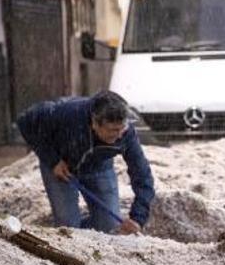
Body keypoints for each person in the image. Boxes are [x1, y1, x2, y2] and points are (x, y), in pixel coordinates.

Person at [17, 90, 155, 234]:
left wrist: (138, 218)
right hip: (61, 166)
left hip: (99, 168)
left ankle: (84, 231)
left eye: (122, 128)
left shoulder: (126, 134)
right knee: (68, 226)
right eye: (113, 130)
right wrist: (52, 160)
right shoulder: (66, 113)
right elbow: (25, 121)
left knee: (109, 226)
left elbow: (142, 175)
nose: (119, 134)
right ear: (95, 123)